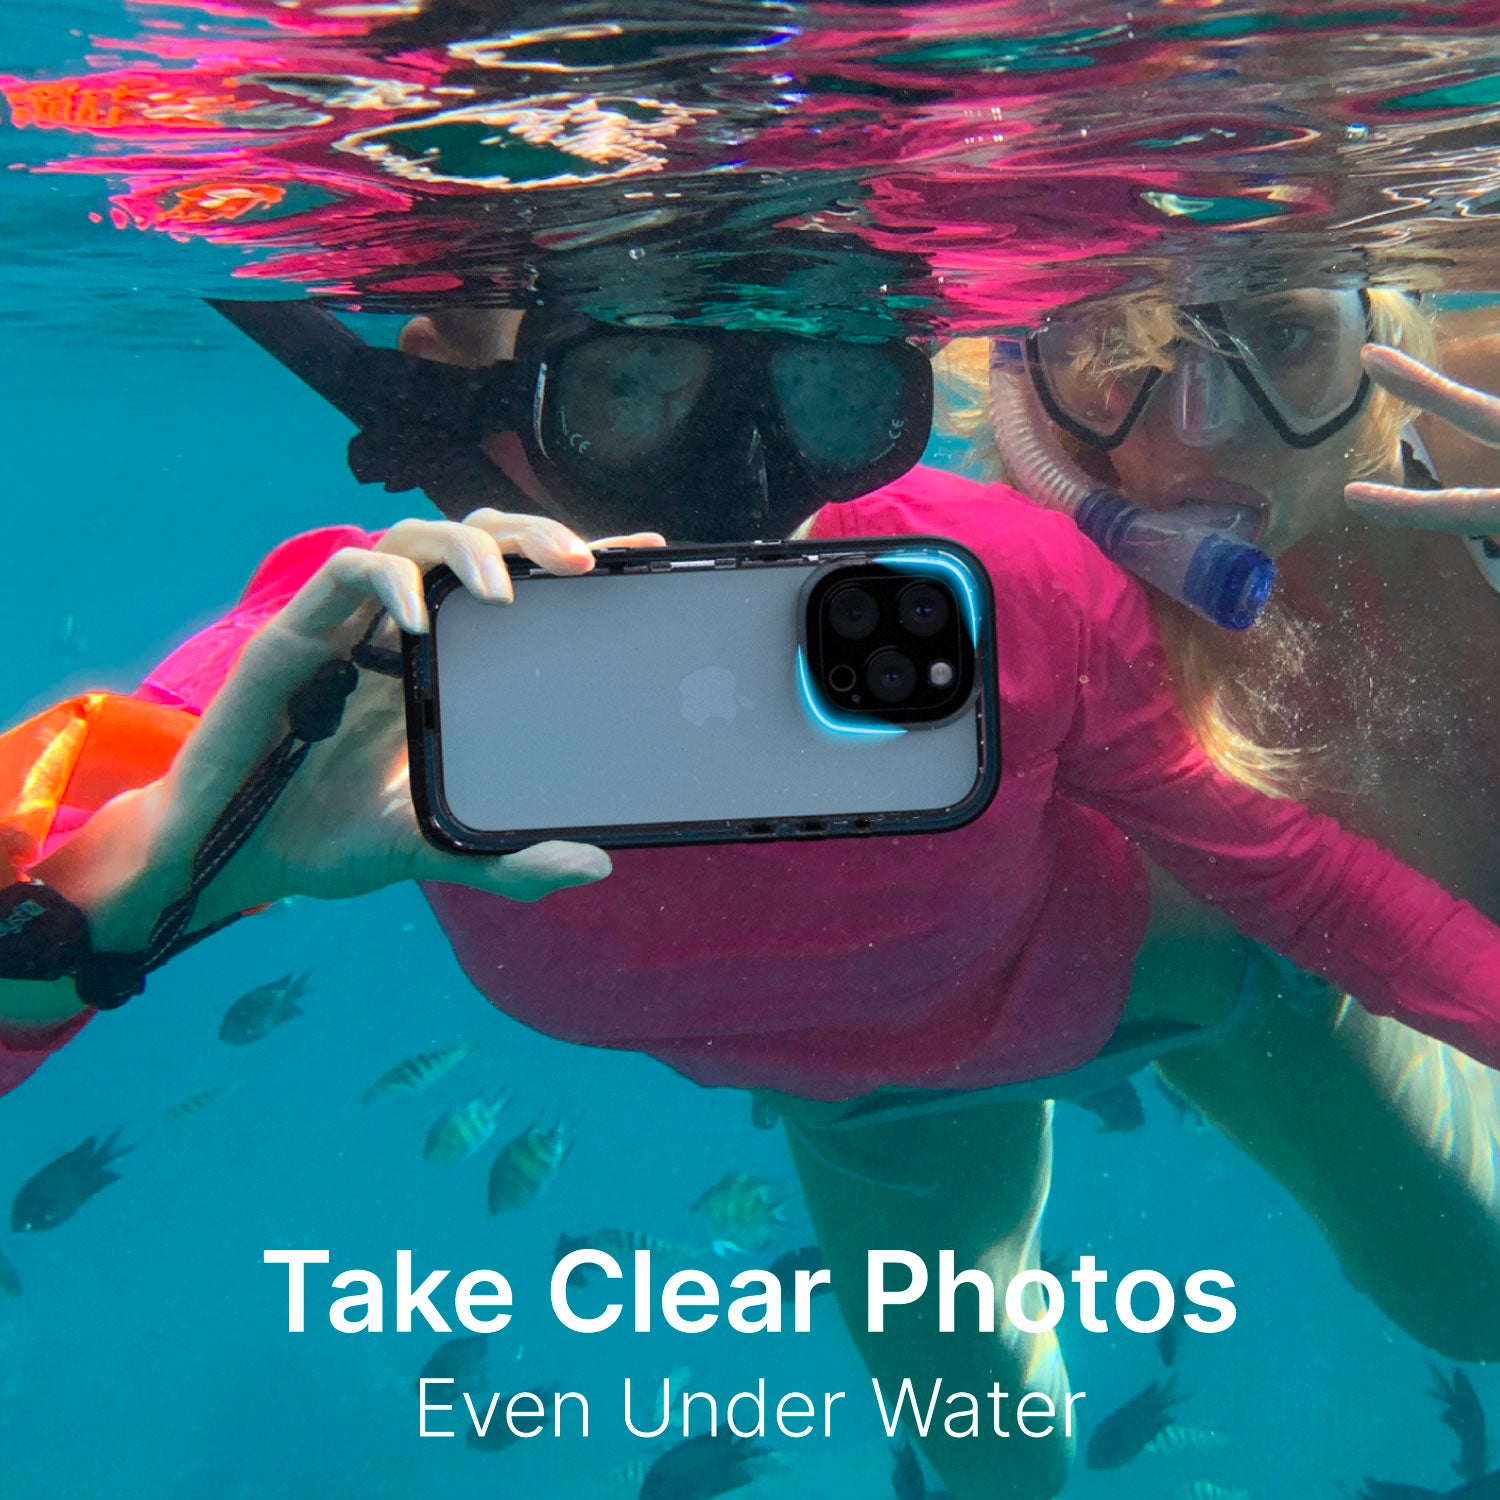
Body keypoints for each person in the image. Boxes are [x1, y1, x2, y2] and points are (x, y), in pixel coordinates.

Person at [3, 295, 1500, 1500]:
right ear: (473, 370)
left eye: (831, 389)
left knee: (1468, 1298)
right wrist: (129, 898)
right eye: (635, 381)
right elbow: (47, 866)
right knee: (993, 1465)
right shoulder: (368, 650)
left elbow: (1290, 877)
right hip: (874, 1110)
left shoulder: (993, 573)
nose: (741, 468)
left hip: (1180, 972)